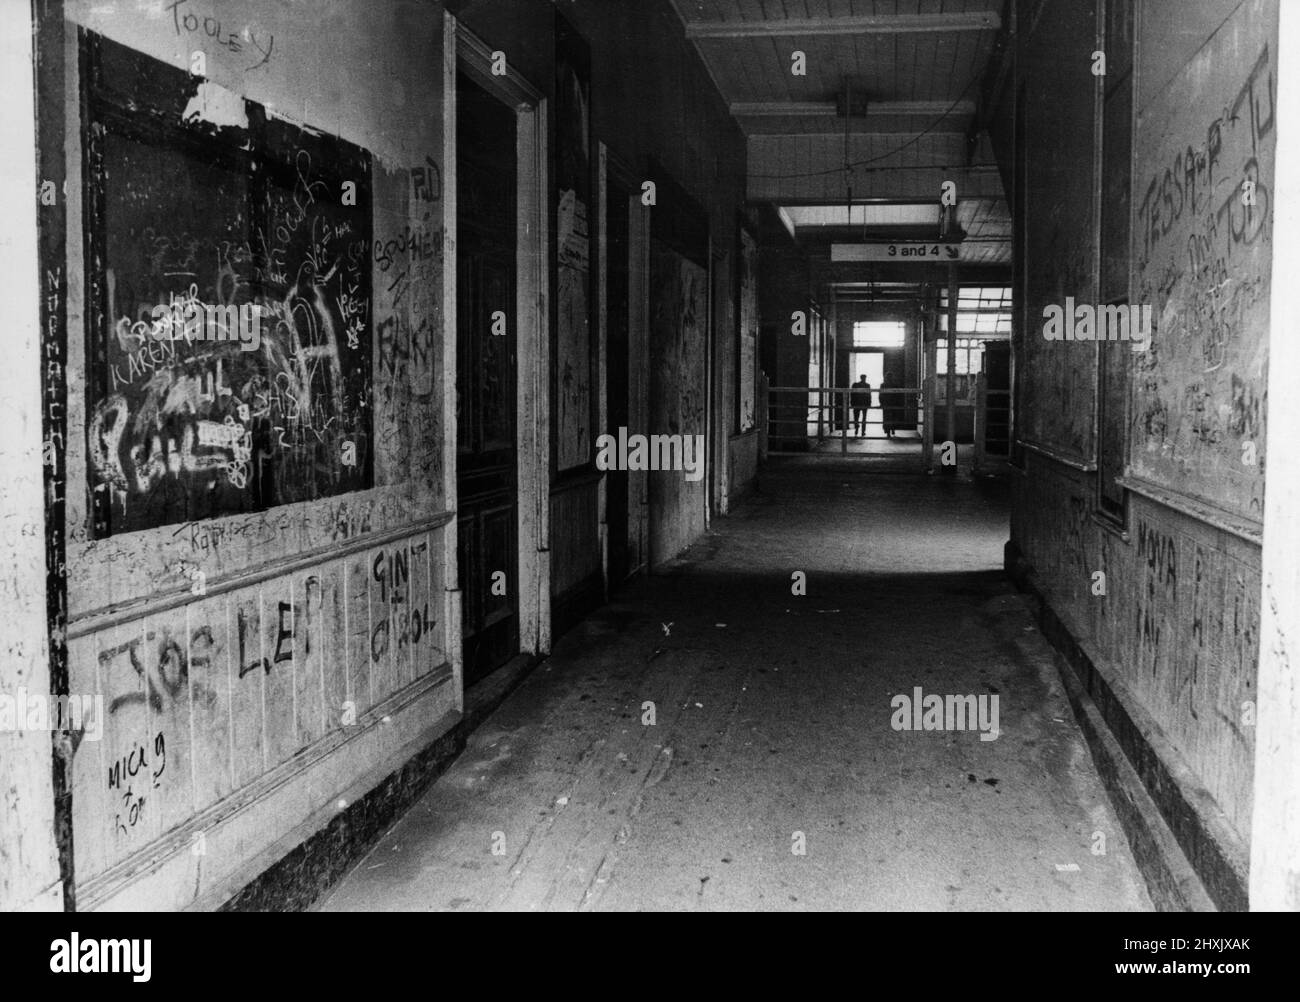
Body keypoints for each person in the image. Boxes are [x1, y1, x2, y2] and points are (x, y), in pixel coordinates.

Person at [881, 370, 904, 439]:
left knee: (887, 418)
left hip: (886, 404)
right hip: (893, 403)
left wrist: (881, 403)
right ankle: (892, 429)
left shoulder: (883, 385)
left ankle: (888, 431)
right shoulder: (895, 385)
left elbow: (881, 395)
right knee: (893, 417)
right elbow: (898, 395)